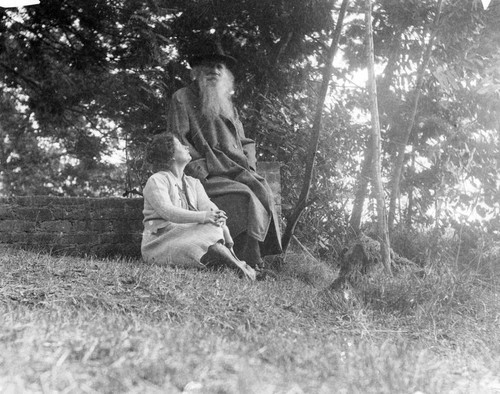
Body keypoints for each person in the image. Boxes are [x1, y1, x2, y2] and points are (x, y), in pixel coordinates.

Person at [167, 41, 282, 271]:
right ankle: (251, 261)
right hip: (206, 173)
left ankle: (261, 257)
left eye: (219, 67)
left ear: (225, 74)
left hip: (235, 168)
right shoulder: (182, 98)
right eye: (208, 66)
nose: (214, 71)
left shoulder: (227, 103)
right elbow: (178, 139)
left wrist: (249, 164)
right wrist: (201, 168)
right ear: (197, 70)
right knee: (244, 196)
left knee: (262, 191)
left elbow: (244, 140)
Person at [141, 132, 256, 280]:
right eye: (181, 145)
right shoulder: (156, 180)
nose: (186, 147)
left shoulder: (193, 183)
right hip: (160, 242)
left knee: (212, 226)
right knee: (208, 228)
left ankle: (237, 266)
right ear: (171, 155)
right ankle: (241, 268)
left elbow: (207, 206)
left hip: (187, 236)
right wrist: (205, 217)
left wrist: (216, 214)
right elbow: (167, 212)